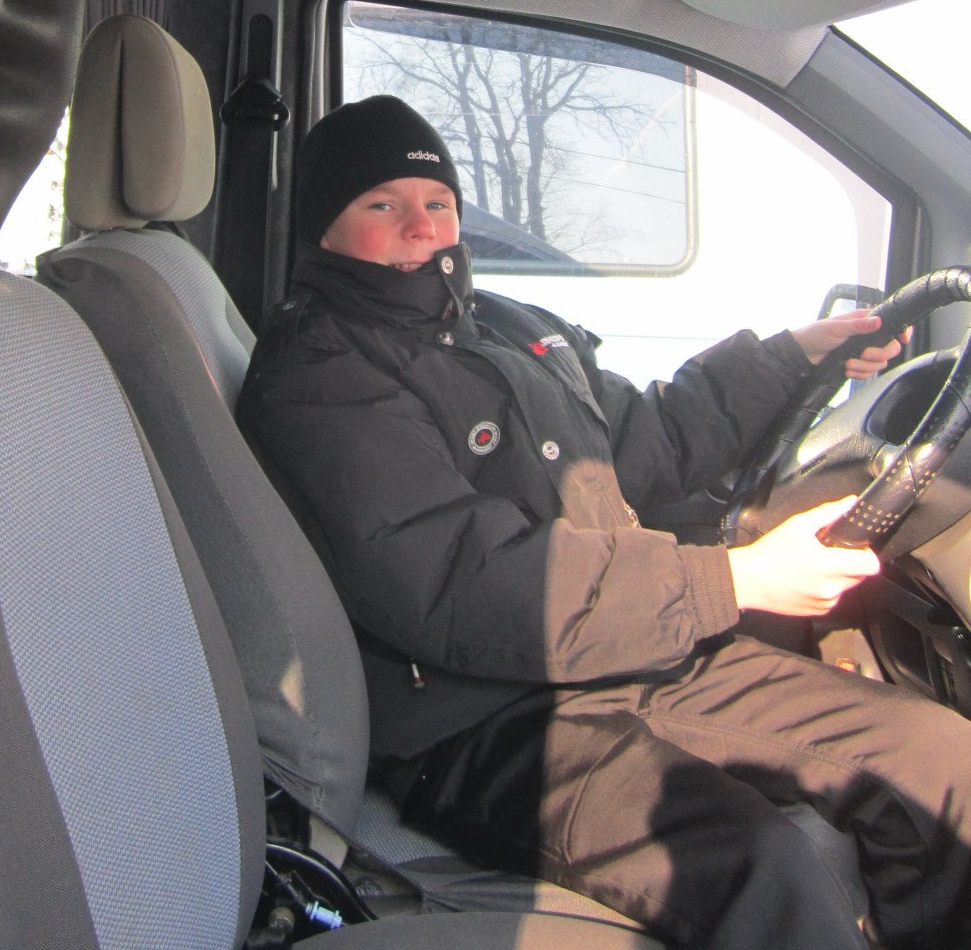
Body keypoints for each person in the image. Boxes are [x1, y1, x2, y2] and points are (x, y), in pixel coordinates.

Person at [238, 95, 971, 950]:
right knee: (764, 866)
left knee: (938, 760)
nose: (421, 227)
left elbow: (645, 439)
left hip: (629, 650)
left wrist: (794, 356)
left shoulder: (502, 324)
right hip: (481, 718)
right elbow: (462, 580)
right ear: (324, 226)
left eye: (438, 202)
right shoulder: (320, 370)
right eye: (382, 204)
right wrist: (731, 580)